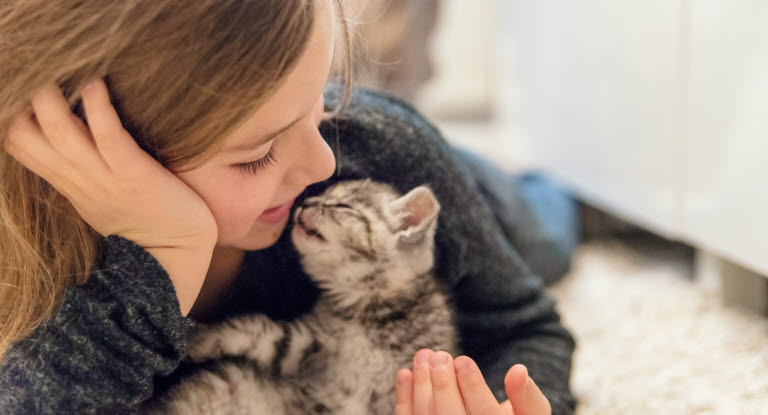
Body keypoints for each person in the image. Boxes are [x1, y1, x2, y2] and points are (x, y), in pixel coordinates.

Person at [0, 1, 578, 414]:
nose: (319, 167)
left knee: (547, 229)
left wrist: (506, 400)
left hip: (411, 185)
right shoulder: (23, 259)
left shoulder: (367, 153)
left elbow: (526, 327)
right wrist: (160, 261)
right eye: (256, 154)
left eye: (319, 102)